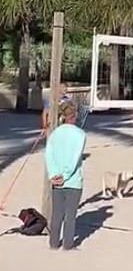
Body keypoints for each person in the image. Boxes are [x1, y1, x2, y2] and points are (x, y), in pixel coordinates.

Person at [45, 101, 86, 250]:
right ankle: (68, 245)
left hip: (57, 180)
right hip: (73, 181)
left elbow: (49, 156)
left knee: (56, 214)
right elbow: (74, 159)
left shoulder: (54, 133)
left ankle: (53, 244)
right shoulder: (80, 134)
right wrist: (65, 175)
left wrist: (53, 174)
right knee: (70, 215)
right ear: (74, 115)